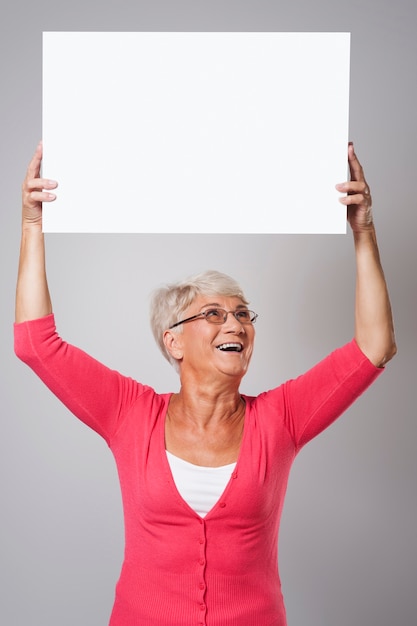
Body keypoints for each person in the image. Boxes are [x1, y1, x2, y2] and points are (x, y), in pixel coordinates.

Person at [14, 141, 396, 626]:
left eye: (242, 314)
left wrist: (364, 231)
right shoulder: (130, 413)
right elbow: (35, 344)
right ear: (173, 341)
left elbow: (375, 346)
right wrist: (32, 223)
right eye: (213, 314)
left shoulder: (281, 418)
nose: (235, 325)